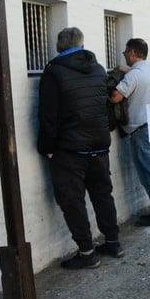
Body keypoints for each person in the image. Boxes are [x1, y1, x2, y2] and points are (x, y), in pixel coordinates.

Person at [38, 27, 123, 270]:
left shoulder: (53, 72)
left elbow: (48, 115)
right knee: (102, 194)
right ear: (82, 46)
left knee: (72, 200)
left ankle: (87, 253)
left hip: (69, 149)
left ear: (58, 46)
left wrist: (47, 147)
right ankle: (113, 243)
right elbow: (104, 106)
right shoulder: (98, 69)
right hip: (99, 145)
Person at [110, 38, 150, 227]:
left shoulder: (134, 75)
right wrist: (127, 70)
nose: (125, 55)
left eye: (126, 52)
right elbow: (139, 77)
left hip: (142, 130)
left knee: (149, 174)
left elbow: (115, 97)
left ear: (132, 52)